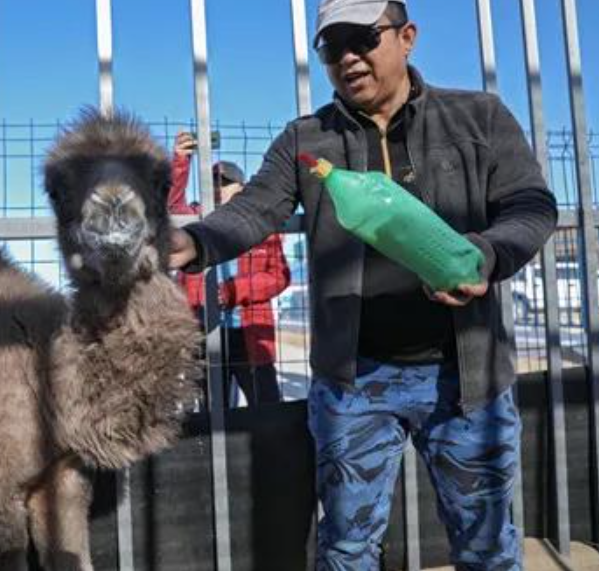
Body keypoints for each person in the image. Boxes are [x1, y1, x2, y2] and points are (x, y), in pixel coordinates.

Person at [168, 1, 558, 569]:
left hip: (466, 376)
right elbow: (254, 210)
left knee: (487, 546)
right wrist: (194, 243)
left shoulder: (480, 117)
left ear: (407, 37)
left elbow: (530, 206)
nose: (347, 57)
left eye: (362, 38)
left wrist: (488, 254)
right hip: (354, 382)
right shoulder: (307, 138)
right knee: (348, 549)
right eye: (331, 47)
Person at [169, 131, 290, 407]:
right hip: (204, 330)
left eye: (225, 182)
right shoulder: (196, 218)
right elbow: (173, 206)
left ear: (241, 187)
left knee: (266, 406)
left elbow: (280, 277)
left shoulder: (262, 227)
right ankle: (219, 451)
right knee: (214, 411)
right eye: (212, 181)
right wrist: (180, 162)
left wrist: (232, 292)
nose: (217, 187)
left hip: (250, 332)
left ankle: (269, 451)